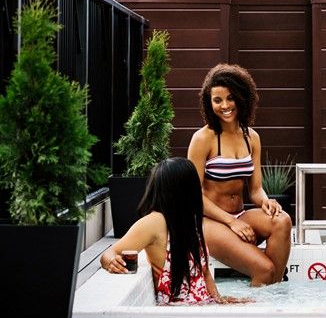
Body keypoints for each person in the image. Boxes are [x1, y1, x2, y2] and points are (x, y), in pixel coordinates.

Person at [187, 63, 292, 286]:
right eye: (217, 100)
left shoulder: (251, 137)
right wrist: (231, 223)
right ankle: (256, 309)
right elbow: (192, 196)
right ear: (209, 102)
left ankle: (270, 290)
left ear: (242, 98)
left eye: (230, 98)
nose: (225, 105)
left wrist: (266, 202)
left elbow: (255, 190)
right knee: (265, 269)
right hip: (209, 221)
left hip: (240, 215)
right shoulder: (203, 139)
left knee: (282, 220)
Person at [100, 157, 247, 305]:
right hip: (179, 314)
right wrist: (111, 261)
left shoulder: (189, 222)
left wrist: (219, 301)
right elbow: (110, 253)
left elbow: (205, 273)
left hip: (202, 308)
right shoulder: (154, 222)